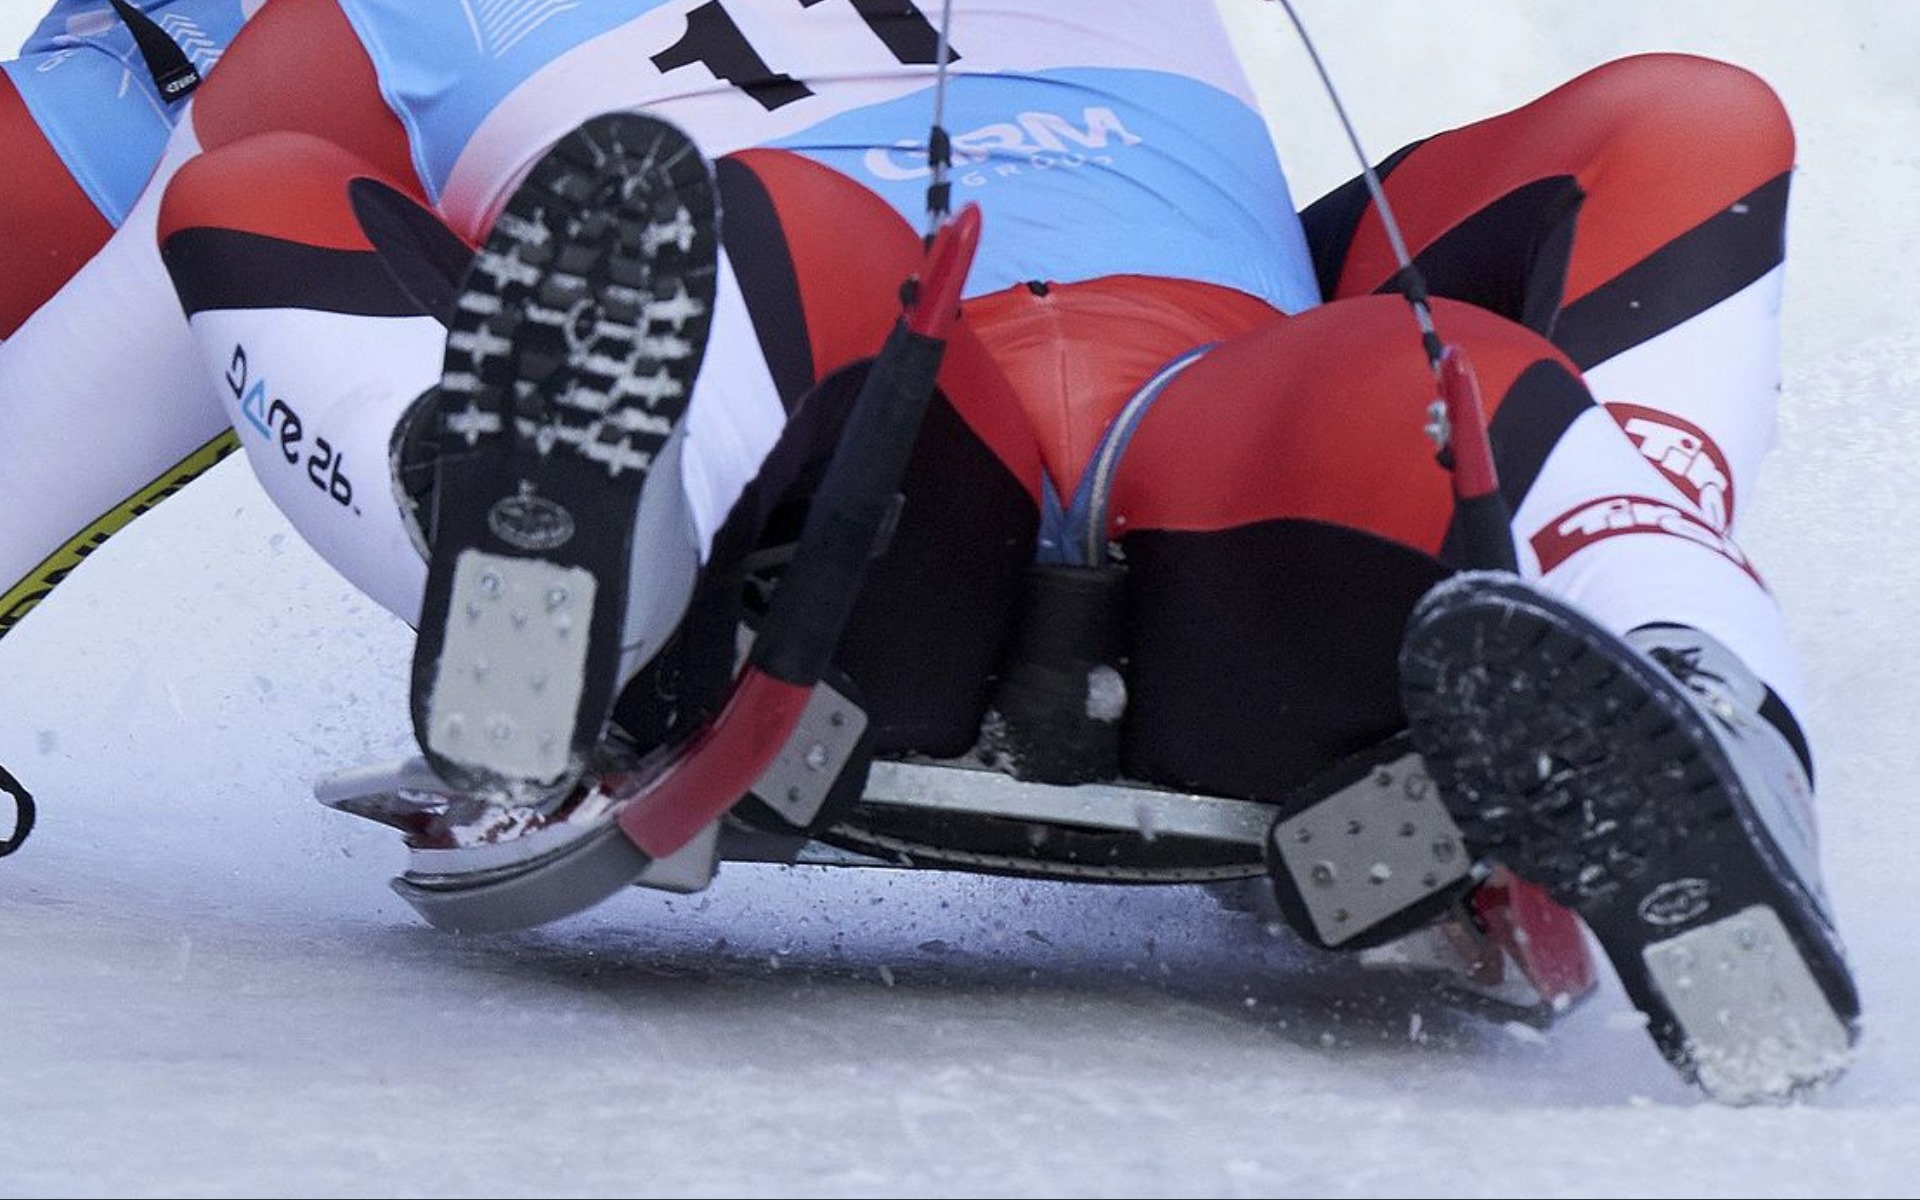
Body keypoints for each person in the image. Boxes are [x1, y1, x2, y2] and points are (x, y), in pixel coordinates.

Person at [0, 0, 1857, 1104]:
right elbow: (187, 246)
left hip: (1229, 466)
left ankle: (1683, 717)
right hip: (840, 502)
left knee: (1502, 313)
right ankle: (554, 565)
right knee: (753, 230)